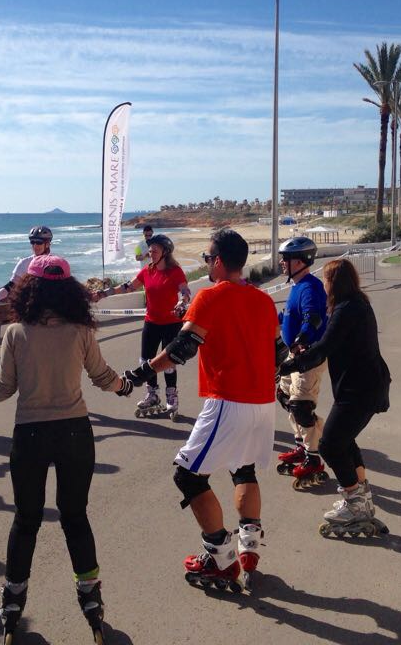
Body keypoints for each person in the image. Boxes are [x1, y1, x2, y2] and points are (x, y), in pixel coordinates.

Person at [0, 255, 133, 643]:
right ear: (69, 290)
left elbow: (3, 388)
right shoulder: (80, 329)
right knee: (75, 517)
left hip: (30, 434)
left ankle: (13, 601)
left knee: (26, 520)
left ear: (28, 289)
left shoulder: (16, 332)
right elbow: (103, 376)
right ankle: (91, 600)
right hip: (74, 432)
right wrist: (126, 386)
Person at [123, 228, 278, 592]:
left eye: (208, 258)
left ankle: (221, 560)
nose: (207, 264)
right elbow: (280, 352)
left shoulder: (210, 296)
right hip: (262, 402)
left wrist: (138, 374)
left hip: (229, 399)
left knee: (188, 476)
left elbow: (181, 349)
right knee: (243, 468)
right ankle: (249, 548)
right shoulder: (263, 300)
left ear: (219, 262)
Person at [279, 258, 391, 538]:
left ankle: (354, 503)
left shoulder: (346, 310)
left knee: (329, 445)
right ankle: (362, 497)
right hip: (366, 386)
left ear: (335, 283)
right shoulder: (358, 304)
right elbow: (325, 343)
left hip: (358, 390)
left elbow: (324, 348)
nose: (324, 285)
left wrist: (288, 365)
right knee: (345, 440)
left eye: (327, 280)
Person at [97, 234, 191, 419]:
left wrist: (183, 301)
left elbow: (185, 290)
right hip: (151, 322)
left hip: (171, 323)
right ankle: (152, 394)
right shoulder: (147, 271)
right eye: (150, 250)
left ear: (165, 252)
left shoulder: (175, 271)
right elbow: (127, 287)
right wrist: (104, 293)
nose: (151, 253)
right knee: (145, 361)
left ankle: (171, 396)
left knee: (168, 362)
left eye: (155, 250)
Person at [274, 237, 330, 489]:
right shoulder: (298, 286)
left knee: (301, 405)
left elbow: (313, 318)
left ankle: (313, 457)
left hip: (308, 356)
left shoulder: (309, 287)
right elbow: (288, 316)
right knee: (285, 396)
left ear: (299, 261)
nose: (281, 262)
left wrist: (301, 340)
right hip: (294, 355)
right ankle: (302, 445)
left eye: (285, 259)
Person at [0, 226, 55, 304]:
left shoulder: (56, 263)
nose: (35, 246)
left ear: (47, 244)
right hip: (30, 308)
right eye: (32, 242)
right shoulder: (24, 263)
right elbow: (10, 286)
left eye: (39, 242)